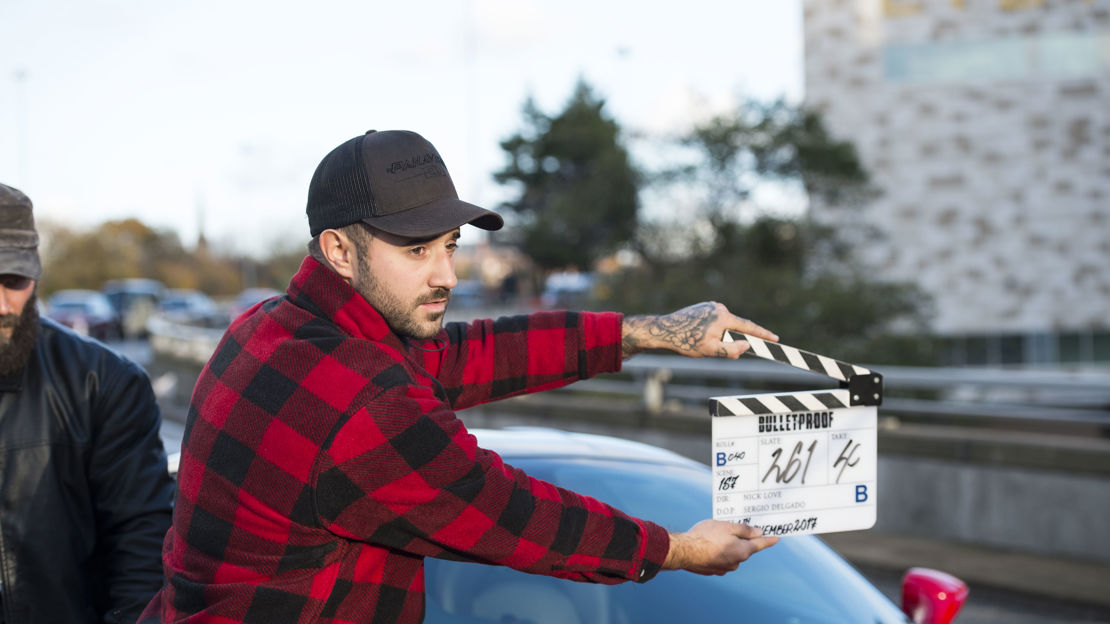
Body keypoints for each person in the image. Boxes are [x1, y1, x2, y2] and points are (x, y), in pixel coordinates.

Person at [141, 130, 780, 624]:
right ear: (339, 250)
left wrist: (648, 331)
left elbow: (474, 354)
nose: (446, 274)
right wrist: (680, 549)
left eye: (449, 244)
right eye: (415, 250)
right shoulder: (363, 399)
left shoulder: (268, 327)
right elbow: (511, 515)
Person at [0, 183, 175, 623]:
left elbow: (142, 547)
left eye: (13, 280)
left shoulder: (103, 383)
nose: (2, 304)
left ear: (35, 275)